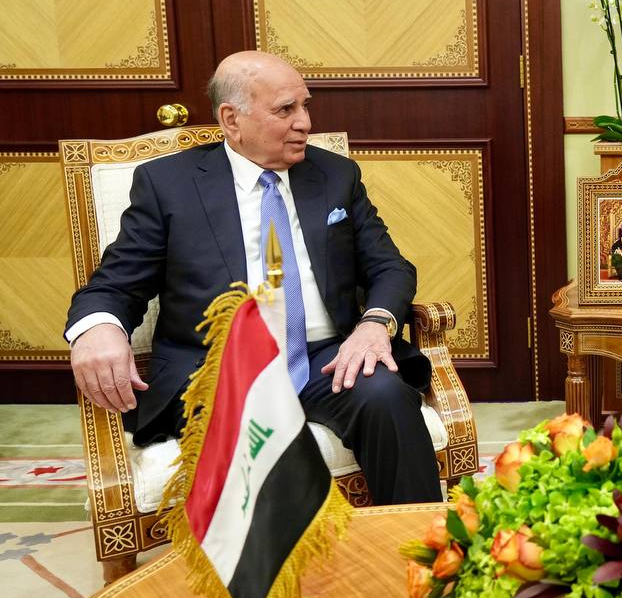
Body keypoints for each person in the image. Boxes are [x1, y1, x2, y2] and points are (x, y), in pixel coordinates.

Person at [65, 50, 442, 505]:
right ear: (232, 120)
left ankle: (414, 540)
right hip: (220, 368)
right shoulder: (170, 186)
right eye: (285, 110)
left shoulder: (335, 175)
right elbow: (116, 283)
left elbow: (389, 266)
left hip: (325, 358)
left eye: (305, 106)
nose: (304, 123)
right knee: (246, 435)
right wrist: (98, 328)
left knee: (386, 396)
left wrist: (374, 323)